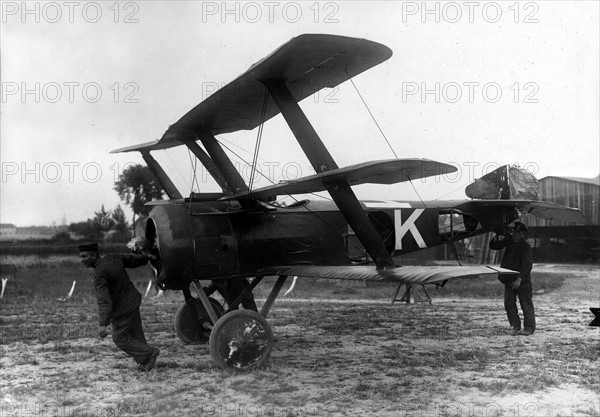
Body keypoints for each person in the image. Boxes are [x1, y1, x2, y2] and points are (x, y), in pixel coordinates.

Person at [78, 242, 160, 371]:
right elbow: (137, 260)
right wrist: (148, 254)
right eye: (81, 257)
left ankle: (149, 353)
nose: (81, 260)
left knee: (119, 338)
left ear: (94, 255)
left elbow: (104, 301)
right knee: (135, 334)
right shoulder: (113, 258)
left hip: (123, 309)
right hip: (133, 300)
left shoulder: (100, 274)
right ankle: (147, 363)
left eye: (84, 256)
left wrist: (102, 324)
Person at [489, 221, 535, 336]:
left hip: (522, 281)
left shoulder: (526, 246)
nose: (513, 234)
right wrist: (497, 236)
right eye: (513, 232)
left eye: (516, 232)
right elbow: (495, 246)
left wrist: (519, 279)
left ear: (522, 234)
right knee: (509, 303)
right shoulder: (509, 241)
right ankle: (515, 326)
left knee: (526, 304)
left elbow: (527, 265)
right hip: (508, 279)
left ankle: (529, 328)